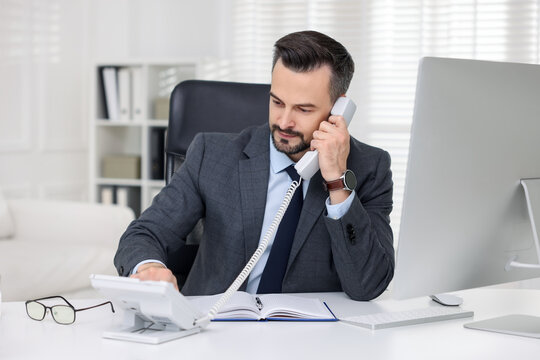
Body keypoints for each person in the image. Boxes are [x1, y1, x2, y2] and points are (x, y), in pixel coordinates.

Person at [114, 30, 394, 301]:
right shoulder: (212, 155)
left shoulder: (369, 168)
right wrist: (150, 269)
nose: (284, 122)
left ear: (338, 109)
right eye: (277, 102)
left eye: (303, 109)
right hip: (214, 328)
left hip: (310, 340)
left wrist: (336, 180)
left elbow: (368, 285)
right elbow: (144, 234)